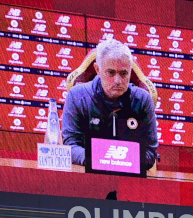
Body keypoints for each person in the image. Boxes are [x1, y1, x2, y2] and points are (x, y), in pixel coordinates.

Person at [62, 38, 159, 171]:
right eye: (111, 73)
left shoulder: (143, 100)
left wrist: (115, 162)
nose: (118, 80)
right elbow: (70, 146)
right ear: (98, 69)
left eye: (124, 73)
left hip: (129, 178)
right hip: (88, 176)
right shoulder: (77, 96)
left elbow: (150, 152)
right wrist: (101, 161)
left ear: (130, 71)